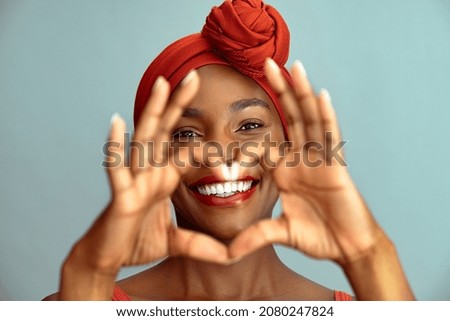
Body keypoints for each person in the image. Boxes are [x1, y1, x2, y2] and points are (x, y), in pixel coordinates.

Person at [45, 0, 415, 301]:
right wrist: (88, 272)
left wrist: (369, 256)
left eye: (250, 126)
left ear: (290, 147)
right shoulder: (79, 299)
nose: (221, 153)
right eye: (187, 134)